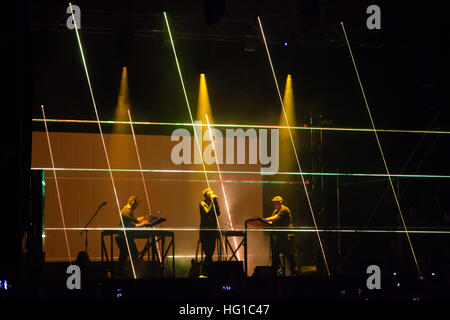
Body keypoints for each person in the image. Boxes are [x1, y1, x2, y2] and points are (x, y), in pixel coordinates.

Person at [264, 196, 298, 276]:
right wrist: (264, 223)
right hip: (280, 236)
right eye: (273, 202)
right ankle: (279, 271)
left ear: (280, 202)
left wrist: (265, 220)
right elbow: (272, 221)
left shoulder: (284, 209)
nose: (274, 204)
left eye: (276, 202)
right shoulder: (275, 211)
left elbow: (276, 218)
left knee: (289, 255)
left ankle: (294, 272)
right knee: (275, 254)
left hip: (287, 236)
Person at [115, 195, 149, 277]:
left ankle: (122, 273)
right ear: (133, 202)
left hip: (124, 237)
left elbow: (135, 220)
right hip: (124, 238)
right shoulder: (127, 211)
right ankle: (127, 273)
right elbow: (133, 224)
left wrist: (143, 218)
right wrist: (143, 223)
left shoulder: (128, 210)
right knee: (133, 254)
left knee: (125, 255)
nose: (137, 207)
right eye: (137, 204)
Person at [199, 188, 221, 274]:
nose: (211, 195)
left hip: (212, 230)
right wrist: (213, 203)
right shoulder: (202, 203)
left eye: (212, 194)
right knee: (207, 251)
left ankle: (208, 268)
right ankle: (207, 269)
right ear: (205, 196)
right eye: (210, 194)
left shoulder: (214, 203)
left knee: (211, 250)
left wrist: (216, 203)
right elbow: (207, 212)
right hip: (205, 230)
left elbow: (218, 213)